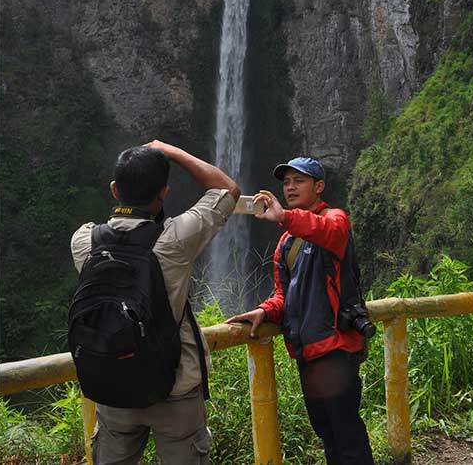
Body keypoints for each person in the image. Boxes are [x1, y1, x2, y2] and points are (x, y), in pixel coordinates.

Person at [70, 140, 239, 465]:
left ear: (115, 190)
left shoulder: (83, 241)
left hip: (112, 384)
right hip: (175, 387)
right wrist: (171, 151)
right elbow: (227, 189)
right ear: (164, 193)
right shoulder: (175, 240)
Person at [224, 156, 374, 465]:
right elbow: (285, 295)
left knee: (347, 436)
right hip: (307, 354)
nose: (290, 187)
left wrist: (284, 216)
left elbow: (324, 230)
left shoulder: (334, 220)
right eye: (286, 182)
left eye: (299, 181)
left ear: (319, 187)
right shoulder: (286, 242)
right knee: (327, 433)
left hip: (336, 348)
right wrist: (265, 311)